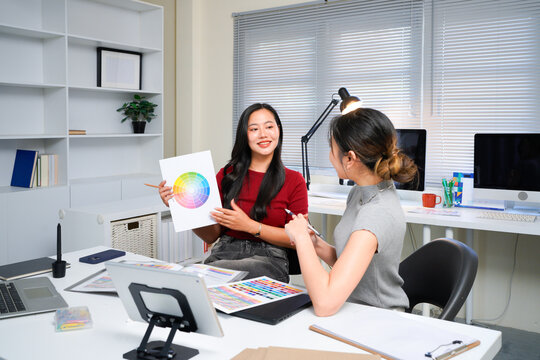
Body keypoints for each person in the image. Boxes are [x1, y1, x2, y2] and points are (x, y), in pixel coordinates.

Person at [285, 107, 418, 316]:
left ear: (350, 159)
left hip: (378, 317)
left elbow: (325, 304)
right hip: (352, 307)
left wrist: (301, 238)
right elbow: (349, 266)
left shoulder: (377, 213)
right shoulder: (360, 192)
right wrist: (316, 245)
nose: (330, 156)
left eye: (331, 149)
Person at [159, 103, 308, 283]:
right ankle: (200, 275)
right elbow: (211, 235)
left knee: (204, 277)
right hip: (224, 252)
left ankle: (199, 275)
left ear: (278, 130)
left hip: (269, 259)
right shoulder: (227, 174)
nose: (263, 134)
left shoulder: (294, 180)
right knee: (204, 282)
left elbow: (300, 237)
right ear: (244, 135)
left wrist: (250, 226)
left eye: (269, 126)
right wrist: (184, 207)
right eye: (254, 129)